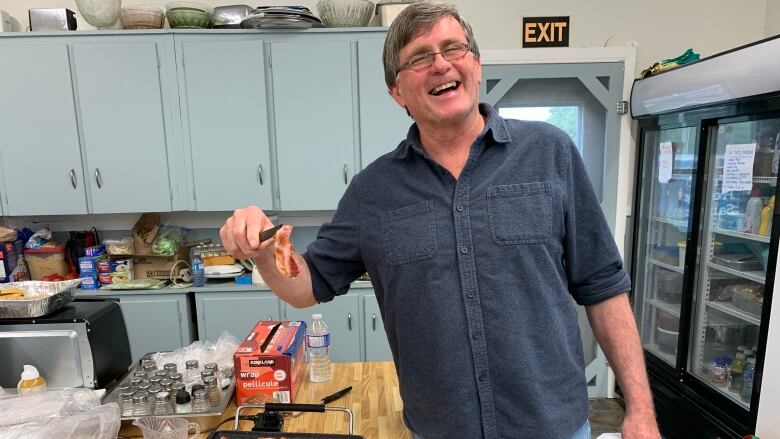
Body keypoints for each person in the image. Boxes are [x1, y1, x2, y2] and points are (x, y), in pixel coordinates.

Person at [220, 3, 660, 438]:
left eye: (454, 48)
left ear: (476, 65)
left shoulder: (550, 153)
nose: (441, 64)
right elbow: (306, 286)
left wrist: (640, 409)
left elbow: (604, 286)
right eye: (419, 58)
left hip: (554, 426)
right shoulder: (373, 192)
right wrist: (262, 249)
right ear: (397, 92)